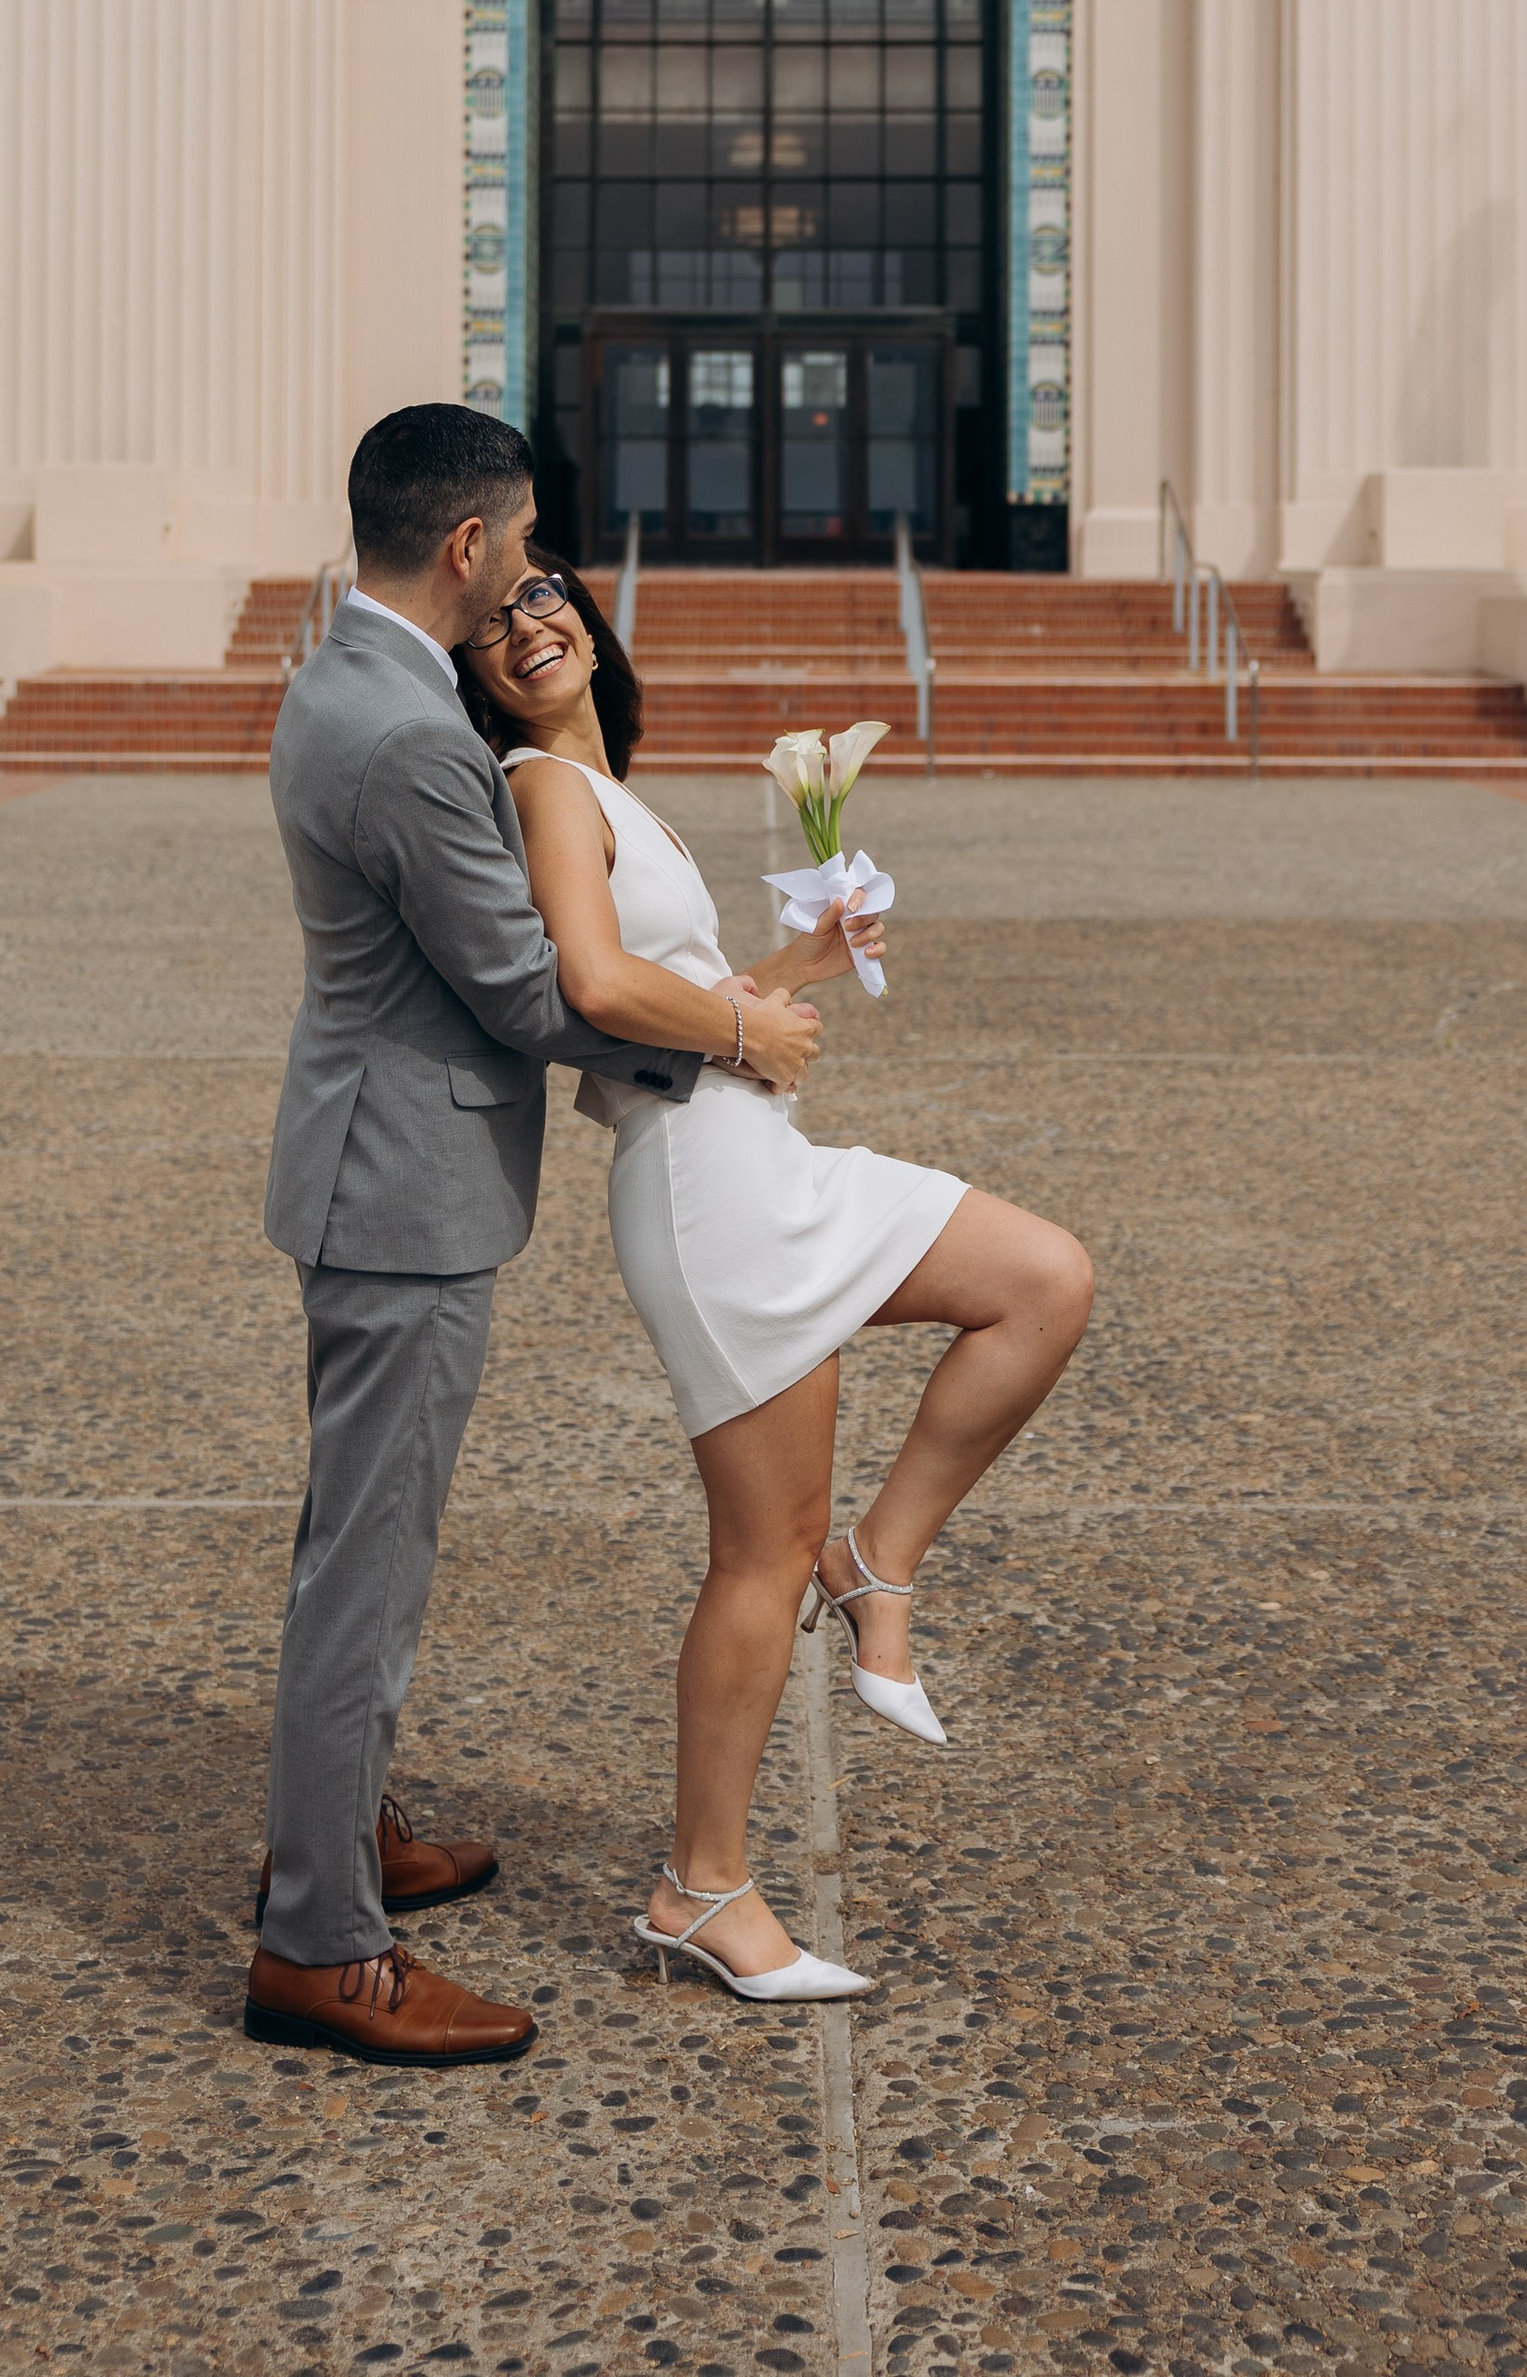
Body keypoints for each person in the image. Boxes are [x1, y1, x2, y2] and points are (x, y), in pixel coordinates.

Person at [245, 407, 825, 2069]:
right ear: (464, 548)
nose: (525, 569)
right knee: (367, 1562)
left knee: (351, 1545)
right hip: (400, 1189)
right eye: (519, 539)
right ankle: (323, 1946)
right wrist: (724, 1037)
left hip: (372, 1163)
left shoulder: (350, 674)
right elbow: (525, 985)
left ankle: (344, 1835)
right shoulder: (414, 735)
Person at [458, 549, 1094, 2004]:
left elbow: (679, 991)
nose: (527, 626)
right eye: (493, 623)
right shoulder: (542, 789)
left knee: (1042, 1281)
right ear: (477, 674)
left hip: (760, 1160)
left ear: (591, 622)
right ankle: (705, 1889)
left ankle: (875, 1566)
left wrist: (794, 965)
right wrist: (747, 1032)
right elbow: (593, 987)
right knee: (756, 1554)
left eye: (545, 595)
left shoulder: (611, 789)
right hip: (708, 1187)